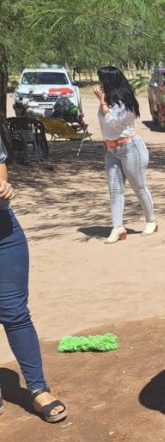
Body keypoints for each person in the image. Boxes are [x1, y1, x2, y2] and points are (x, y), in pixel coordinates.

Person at [0, 137, 69, 423]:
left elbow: (0, 165)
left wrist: (3, 186)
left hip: (4, 231)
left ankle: (38, 388)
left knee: (15, 312)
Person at [94, 66, 158, 244]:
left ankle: (151, 220)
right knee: (114, 190)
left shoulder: (125, 103)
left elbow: (112, 122)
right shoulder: (107, 101)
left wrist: (101, 101)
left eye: (102, 81)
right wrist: (105, 145)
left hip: (130, 148)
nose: (99, 85)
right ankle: (117, 227)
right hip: (112, 150)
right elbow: (105, 127)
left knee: (139, 187)